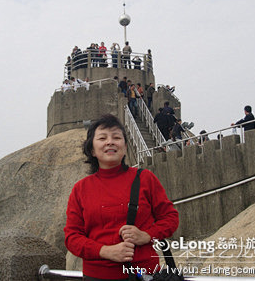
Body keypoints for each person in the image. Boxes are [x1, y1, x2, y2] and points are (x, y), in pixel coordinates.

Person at [64, 115, 179, 280]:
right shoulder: (80, 189)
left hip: (144, 274)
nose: (110, 142)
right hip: (97, 276)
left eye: (117, 137)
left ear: (125, 147)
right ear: (92, 150)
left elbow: (170, 218)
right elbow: (72, 237)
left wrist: (146, 235)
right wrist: (105, 251)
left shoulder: (145, 178)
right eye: (102, 138)